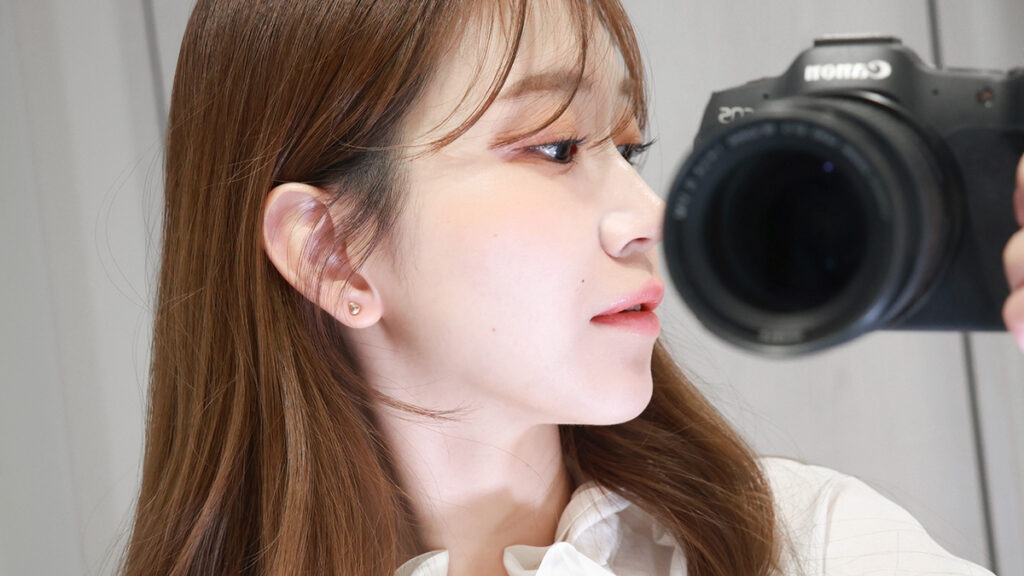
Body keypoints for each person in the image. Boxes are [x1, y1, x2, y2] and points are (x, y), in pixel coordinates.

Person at [118, 0, 1023, 575]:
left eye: (628, 147)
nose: (648, 215)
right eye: (555, 147)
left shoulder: (811, 547)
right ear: (332, 253)